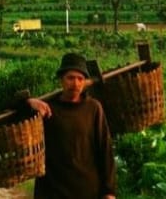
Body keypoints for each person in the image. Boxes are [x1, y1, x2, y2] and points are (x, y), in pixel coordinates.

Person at [25, 52, 116, 199]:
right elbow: (9, 113)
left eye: (80, 79)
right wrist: (28, 102)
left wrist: (109, 191)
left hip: (87, 190)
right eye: (70, 78)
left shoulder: (93, 108)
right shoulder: (46, 109)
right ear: (61, 80)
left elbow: (105, 150)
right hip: (52, 190)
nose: (75, 84)